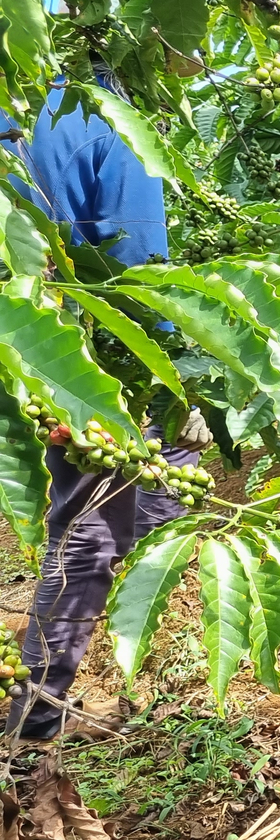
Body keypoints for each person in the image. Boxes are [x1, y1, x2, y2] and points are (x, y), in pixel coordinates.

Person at [2, 83, 208, 742]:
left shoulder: (21, 109)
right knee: (96, 524)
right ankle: (34, 714)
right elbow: (135, 262)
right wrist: (176, 380)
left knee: (119, 506)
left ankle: (122, 660)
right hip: (79, 361)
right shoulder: (104, 120)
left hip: (26, 345)